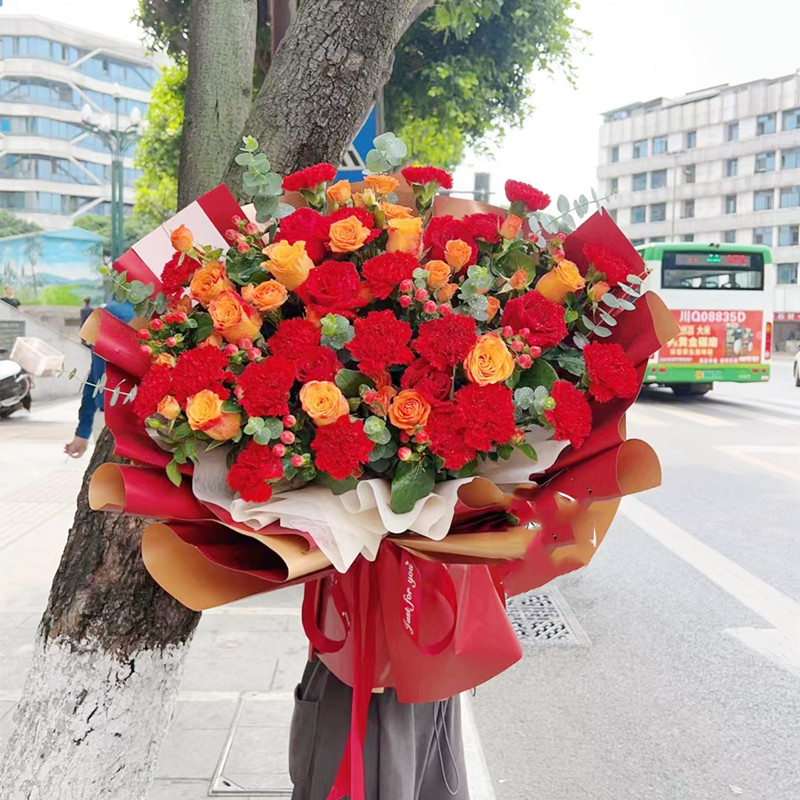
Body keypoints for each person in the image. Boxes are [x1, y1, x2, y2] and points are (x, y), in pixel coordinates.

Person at [64, 300, 134, 458]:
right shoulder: (159, 316)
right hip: (147, 423)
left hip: (107, 421)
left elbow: (94, 378)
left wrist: (83, 431)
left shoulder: (108, 313)